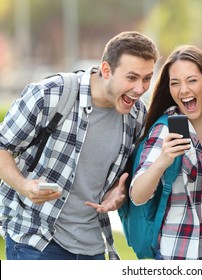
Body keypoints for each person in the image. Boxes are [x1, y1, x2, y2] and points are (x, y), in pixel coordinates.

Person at [0, 31, 159, 260]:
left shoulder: (136, 115)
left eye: (147, 78)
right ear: (106, 70)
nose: (140, 88)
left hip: (92, 245)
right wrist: (24, 186)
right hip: (36, 240)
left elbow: (124, 171)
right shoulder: (51, 93)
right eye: (131, 77)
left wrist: (119, 189)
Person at [128, 45, 202, 260]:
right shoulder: (165, 129)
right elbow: (137, 195)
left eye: (191, 80)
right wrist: (162, 161)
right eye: (175, 83)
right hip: (184, 250)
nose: (183, 90)